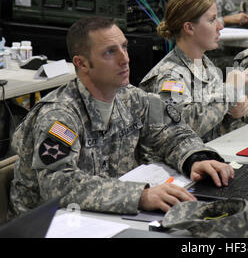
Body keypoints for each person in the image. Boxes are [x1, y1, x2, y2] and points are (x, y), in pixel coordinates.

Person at [8, 16, 234, 219]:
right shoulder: (60, 116)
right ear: (82, 63)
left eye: (124, 47)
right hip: (51, 225)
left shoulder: (131, 98)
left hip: (106, 216)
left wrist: (195, 158)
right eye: (110, 52)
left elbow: (172, 132)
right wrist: (139, 196)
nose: (124, 58)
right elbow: (58, 185)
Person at [139, 0, 248, 143]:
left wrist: (232, 112)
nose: (220, 26)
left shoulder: (206, 65)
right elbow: (180, 128)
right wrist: (229, 90)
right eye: (212, 20)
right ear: (189, 28)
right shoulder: (169, 76)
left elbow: (210, 126)